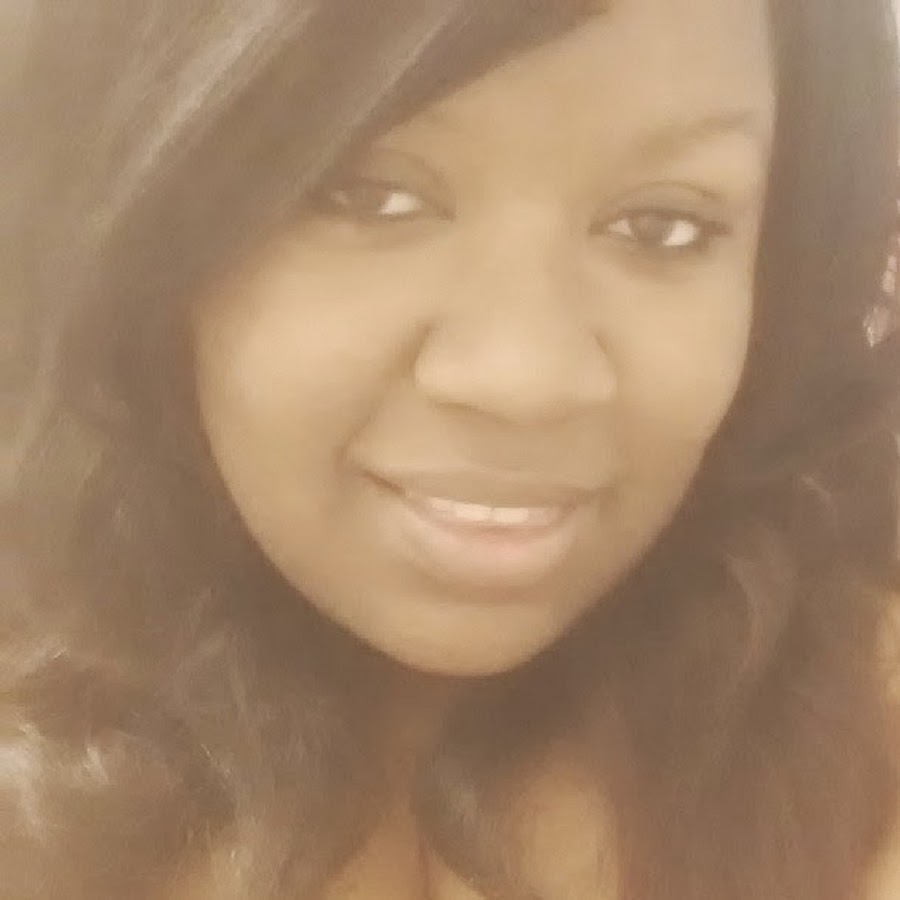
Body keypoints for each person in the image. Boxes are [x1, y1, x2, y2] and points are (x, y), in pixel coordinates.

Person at [2, 0, 899, 897]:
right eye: (369, 196)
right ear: (138, 222)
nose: (525, 378)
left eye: (662, 225)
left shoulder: (863, 736)